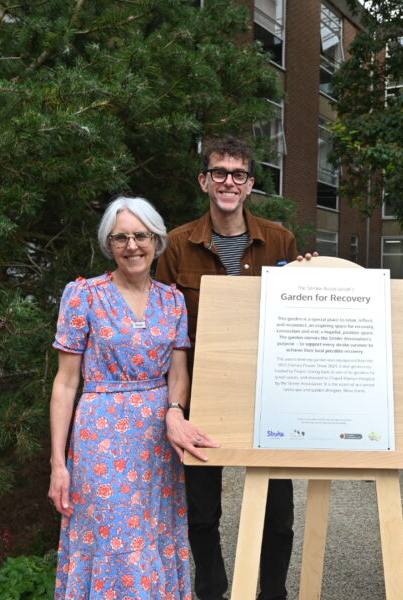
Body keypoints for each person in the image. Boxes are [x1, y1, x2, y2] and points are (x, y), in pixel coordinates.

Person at [154, 136, 304, 600]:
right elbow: (161, 324)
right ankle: (212, 591)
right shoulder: (176, 246)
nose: (228, 182)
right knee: (201, 512)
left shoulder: (280, 240)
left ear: (250, 185)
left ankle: (272, 593)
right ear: (204, 181)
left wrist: (314, 274)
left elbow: (300, 313)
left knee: (278, 516)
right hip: (203, 394)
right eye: (219, 172)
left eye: (238, 175)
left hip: (269, 396)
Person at [48, 196, 218, 600]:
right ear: (109, 244)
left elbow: (179, 372)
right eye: (120, 237)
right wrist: (58, 464)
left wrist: (175, 411)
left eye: (140, 235)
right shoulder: (83, 296)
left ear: (156, 241)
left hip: (157, 442)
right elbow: (65, 384)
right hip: (100, 439)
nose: (131, 245)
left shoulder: (171, 299)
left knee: (152, 534)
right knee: (113, 536)